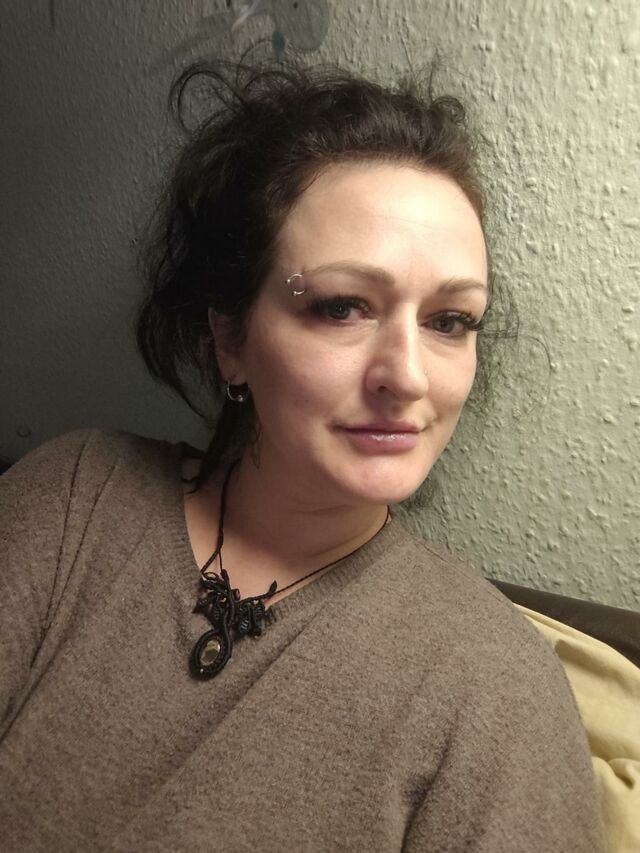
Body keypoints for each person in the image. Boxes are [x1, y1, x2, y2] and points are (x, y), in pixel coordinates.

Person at [0, 61, 605, 851]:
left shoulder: (497, 691)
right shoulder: (72, 500)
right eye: (342, 306)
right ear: (230, 335)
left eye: (450, 320)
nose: (408, 376)